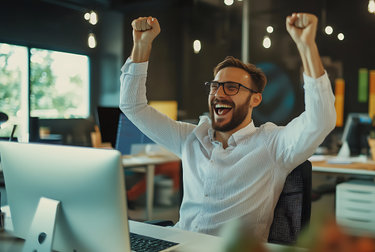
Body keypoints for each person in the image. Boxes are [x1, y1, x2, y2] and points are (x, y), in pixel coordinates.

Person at [120, 12, 336, 242]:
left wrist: (307, 47)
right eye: (215, 86)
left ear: (255, 99)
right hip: (179, 243)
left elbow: (320, 119)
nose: (219, 94)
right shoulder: (191, 137)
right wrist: (141, 46)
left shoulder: (273, 145)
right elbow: (132, 106)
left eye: (231, 87)